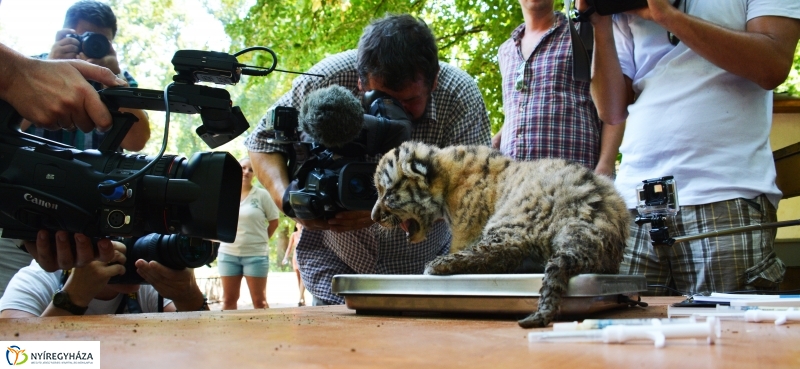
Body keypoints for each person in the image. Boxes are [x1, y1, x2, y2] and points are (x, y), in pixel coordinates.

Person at [245, 14, 492, 305]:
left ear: (434, 79)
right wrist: (288, 200)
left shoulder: (459, 96)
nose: (396, 113)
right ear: (360, 81)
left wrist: (397, 208)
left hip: (425, 275)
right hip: (335, 271)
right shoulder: (325, 81)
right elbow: (261, 143)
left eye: (410, 101)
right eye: (383, 98)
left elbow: (476, 189)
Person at [583, 0, 800, 295]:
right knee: (625, 325)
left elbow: (772, 65)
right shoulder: (625, 8)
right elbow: (611, 111)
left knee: (730, 326)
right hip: (634, 203)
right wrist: (599, 22)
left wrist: (666, 16)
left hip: (725, 197)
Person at [493, 0, 624, 177]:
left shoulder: (584, 32)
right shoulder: (505, 51)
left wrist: (606, 165)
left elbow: (615, 101)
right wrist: (497, 140)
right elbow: (519, 108)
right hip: (515, 183)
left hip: (571, 179)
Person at [21, 0, 150, 152]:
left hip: (95, 168)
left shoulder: (121, 80)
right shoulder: (30, 68)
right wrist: (49, 68)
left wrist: (114, 81)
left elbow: (136, 143)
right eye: (84, 38)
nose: (92, 45)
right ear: (65, 35)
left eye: (100, 42)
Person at [0, 241, 208, 317]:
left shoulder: (146, 274)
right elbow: (11, 357)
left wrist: (189, 296)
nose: (128, 247)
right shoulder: (39, 279)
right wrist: (73, 298)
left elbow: (203, 347)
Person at [217, 157, 279, 310]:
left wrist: (261, 240)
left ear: (255, 174)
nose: (246, 172)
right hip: (228, 255)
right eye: (243, 168)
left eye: (251, 170)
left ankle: (264, 327)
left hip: (256, 256)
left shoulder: (262, 195)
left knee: (260, 302)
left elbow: (274, 222)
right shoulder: (224, 194)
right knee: (228, 301)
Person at [282, 223, 306, 306]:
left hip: (304, 258)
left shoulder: (306, 234)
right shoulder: (294, 235)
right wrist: (285, 257)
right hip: (295, 259)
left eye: (301, 224)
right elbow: (289, 247)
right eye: (299, 223)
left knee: (303, 278)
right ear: (296, 225)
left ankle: (300, 298)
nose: (300, 225)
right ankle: (302, 297)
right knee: (298, 278)